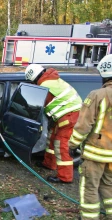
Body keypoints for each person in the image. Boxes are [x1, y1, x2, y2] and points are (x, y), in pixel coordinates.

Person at [69, 54, 112, 220]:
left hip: (96, 153)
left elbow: (83, 126)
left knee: (90, 188)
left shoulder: (98, 95)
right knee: (109, 187)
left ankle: (89, 217)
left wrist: (72, 145)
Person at [25, 64, 82, 183]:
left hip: (69, 115)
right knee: (52, 138)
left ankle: (65, 177)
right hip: (62, 115)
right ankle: (49, 163)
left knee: (61, 145)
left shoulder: (45, 85)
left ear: (34, 78)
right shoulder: (51, 79)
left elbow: (39, 104)